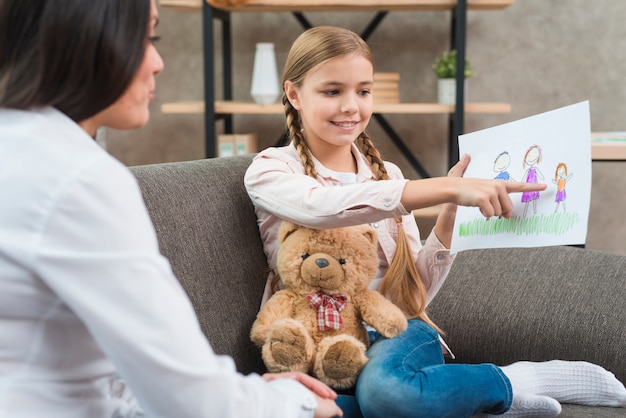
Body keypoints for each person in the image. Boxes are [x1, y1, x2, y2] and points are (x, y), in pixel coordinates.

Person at [244, 26, 626, 418]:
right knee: (308, 408)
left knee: (385, 393)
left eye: (363, 90)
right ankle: (458, 397)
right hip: (320, 345)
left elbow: (411, 295)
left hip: (396, 332)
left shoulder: (386, 174)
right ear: (294, 94)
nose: (352, 107)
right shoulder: (270, 171)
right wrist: (442, 188)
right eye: (332, 91)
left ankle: (517, 380)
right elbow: (321, 206)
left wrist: (447, 220)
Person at [0, 1, 343, 417]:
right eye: (147, 37)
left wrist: (247, 395)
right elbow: (190, 402)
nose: (158, 62)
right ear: (88, 38)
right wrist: (298, 403)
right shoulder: (78, 180)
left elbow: (96, 379)